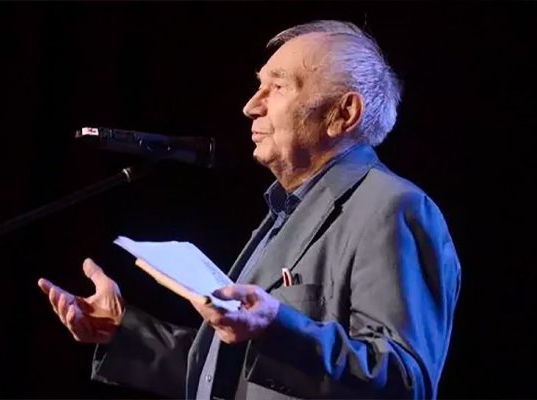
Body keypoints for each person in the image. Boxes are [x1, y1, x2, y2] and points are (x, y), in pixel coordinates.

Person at [38, 20, 461, 399]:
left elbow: (406, 383)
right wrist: (123, 330)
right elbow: (233, 375)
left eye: (278, 87)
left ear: (343, 113)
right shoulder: (287, 211)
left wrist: (275, 327)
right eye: (259, 86)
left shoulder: (392, 208)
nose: (251, 106)